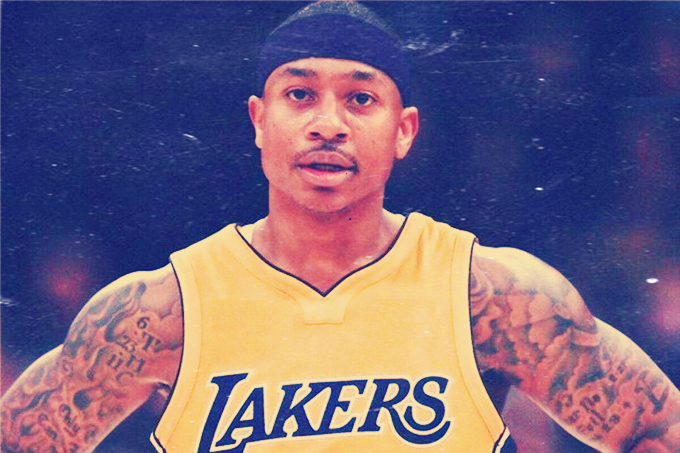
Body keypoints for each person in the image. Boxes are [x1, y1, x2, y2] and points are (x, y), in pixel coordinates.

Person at [2, 2, 679, 452]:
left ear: (404, 130)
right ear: (259, 119)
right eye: (300, 94)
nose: (328, 123)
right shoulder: (160, 310)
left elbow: (659, 430)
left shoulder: (495, 297)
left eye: (360, 98)